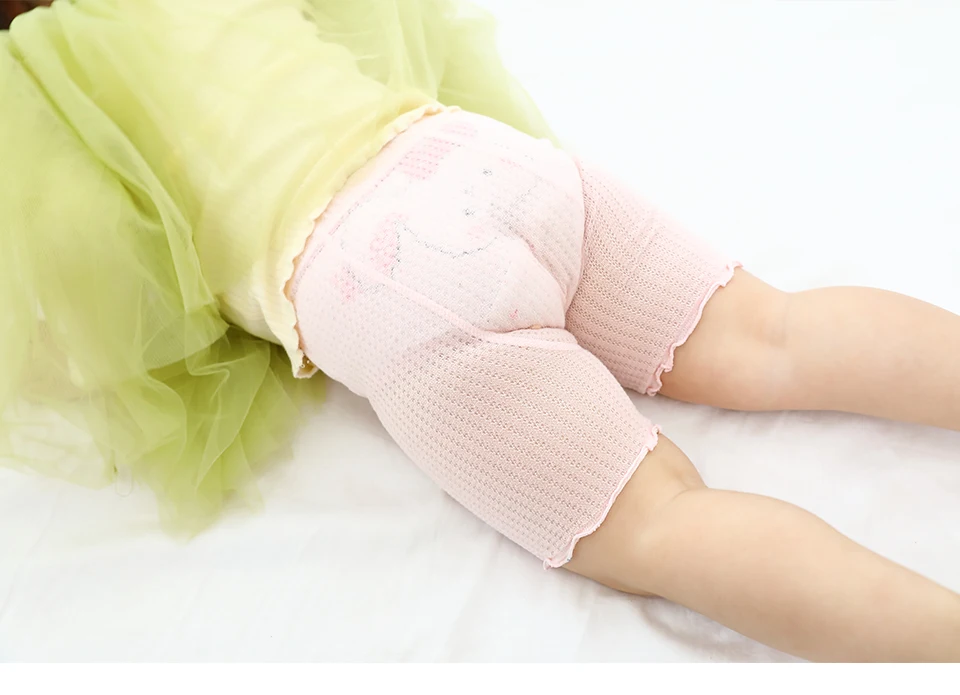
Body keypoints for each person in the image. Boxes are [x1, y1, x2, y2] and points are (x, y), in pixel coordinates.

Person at [2, 0, 958, 662]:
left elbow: (101, 279)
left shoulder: (38, 80)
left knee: (660, 522)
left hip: (378, 278)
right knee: (775, 330)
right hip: (471, 154)